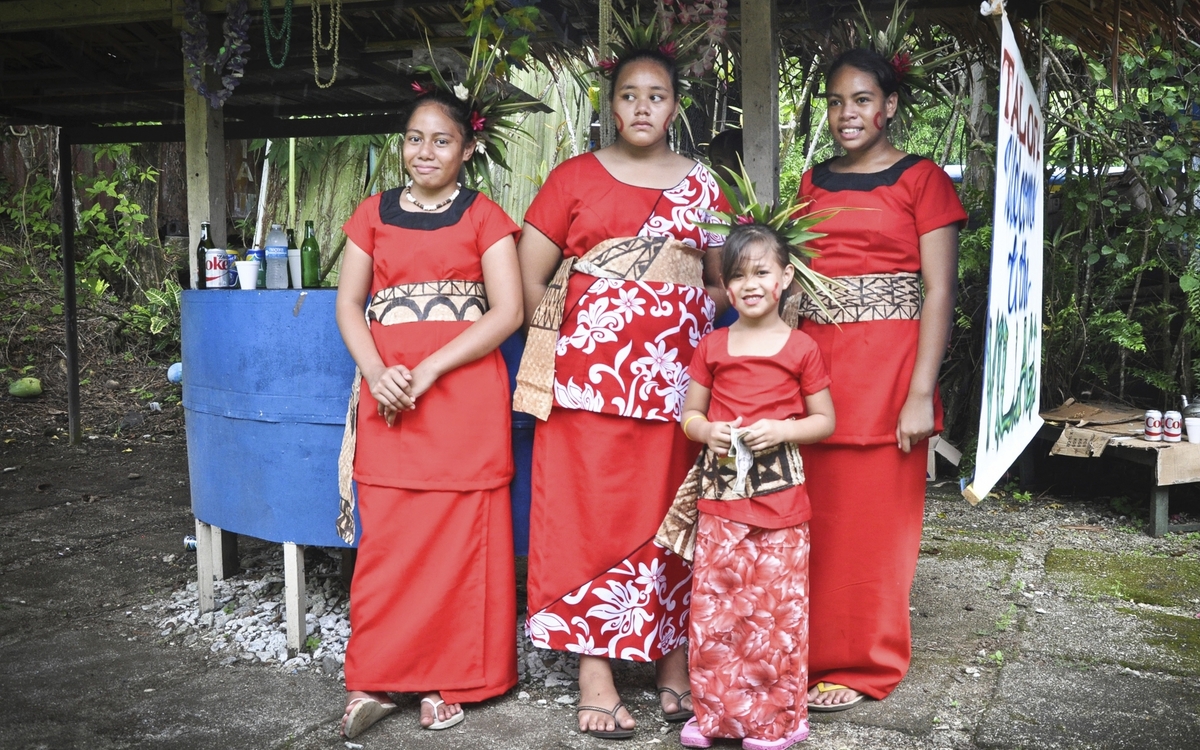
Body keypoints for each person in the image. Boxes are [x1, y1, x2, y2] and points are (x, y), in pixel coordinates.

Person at [514, 45, 730, 740]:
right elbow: (528, 275)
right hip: (588, 387)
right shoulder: (573, 177)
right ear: (612, 105)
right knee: (590, 521)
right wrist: (574, 338)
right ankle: (596, 674)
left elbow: (721, 281)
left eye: (657, 95)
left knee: (672, 517)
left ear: (675, 106)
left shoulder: (705, 184)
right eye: (630, 94)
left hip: (678, 390)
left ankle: (673, 661)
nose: (643, 106)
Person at [333, 87, 523, 737]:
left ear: (468, 150)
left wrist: (435, 366)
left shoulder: (486, 218)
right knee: (386, 542)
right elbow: (349, 307)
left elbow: (507, 312)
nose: (425, 151)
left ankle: (453, 680)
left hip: (462, 401)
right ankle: (375, 678)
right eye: (415, 137)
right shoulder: (371, 215)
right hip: (390, 403)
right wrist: (375, 371)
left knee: (461, 543)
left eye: (442, 140)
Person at [794, 48, 966, 711]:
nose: (847, 114)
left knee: (875, 526)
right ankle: (804, 653)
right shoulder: (812, 182)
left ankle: (865, 663)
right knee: (816, 521)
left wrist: (921, 391)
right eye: (836, 102)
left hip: (890, 369)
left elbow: (939, 290)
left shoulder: (921, 180)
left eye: (862, 100)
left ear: (889, 106)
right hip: (816, 367)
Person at [665, 223, 835, 750]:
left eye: (762, 272)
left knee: (776, 612)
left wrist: (784, 429)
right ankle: (715, 718)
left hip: (782, 505)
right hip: (720, 502)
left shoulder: (801, 347)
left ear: (785, 277)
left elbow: (824, 420)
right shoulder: (713, 345)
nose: (750, 284)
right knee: (717, 612)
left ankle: (778, 721)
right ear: (725, 284)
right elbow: (688, 414)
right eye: (737, 276)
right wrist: (705, 430)